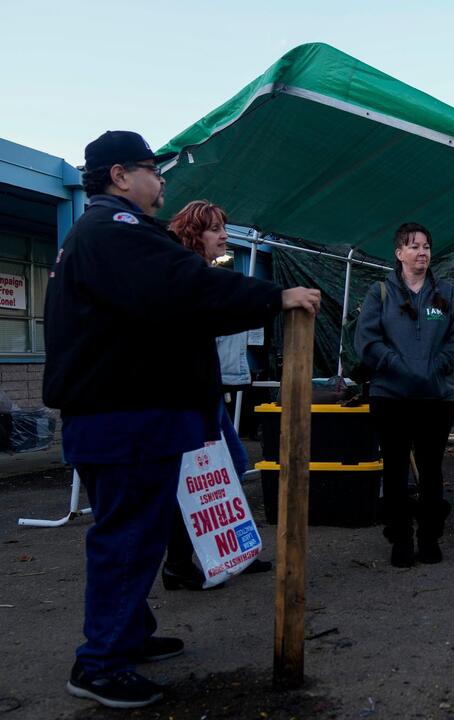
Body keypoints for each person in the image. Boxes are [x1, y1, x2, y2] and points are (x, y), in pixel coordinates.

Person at [43, 131, 321, 709]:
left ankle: (128, 636)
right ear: (120, 175)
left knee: (134, 532)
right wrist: (276, 296)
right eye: (152, 169)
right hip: (126, 416)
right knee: (128, 538)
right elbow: (187, 288)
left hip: (122, 414)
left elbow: (165, 309)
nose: (161, 180)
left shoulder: (97, 235)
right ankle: (100, 664)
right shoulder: (117, 234)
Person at [161, 200, 272, 590]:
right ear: (194, 234)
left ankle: (224, 552)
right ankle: (178, 562)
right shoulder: (181, 274)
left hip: (205, 392)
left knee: (230, 465)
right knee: (193, 477)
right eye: (214, 229)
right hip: (184, 397)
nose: (224, 235)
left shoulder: (198, 273)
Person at [354, 222, 454, 568]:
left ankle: (430, 536)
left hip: (437, 397)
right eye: (414, 246)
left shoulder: (448, 293)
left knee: (432, 469)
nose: (422, 253)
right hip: (392, 396)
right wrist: (397, 366)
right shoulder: (380, 293)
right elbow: (367, 341)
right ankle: (400, 537)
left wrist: (436, 367)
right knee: (394, 468)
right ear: (399, 253)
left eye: (426, 247)